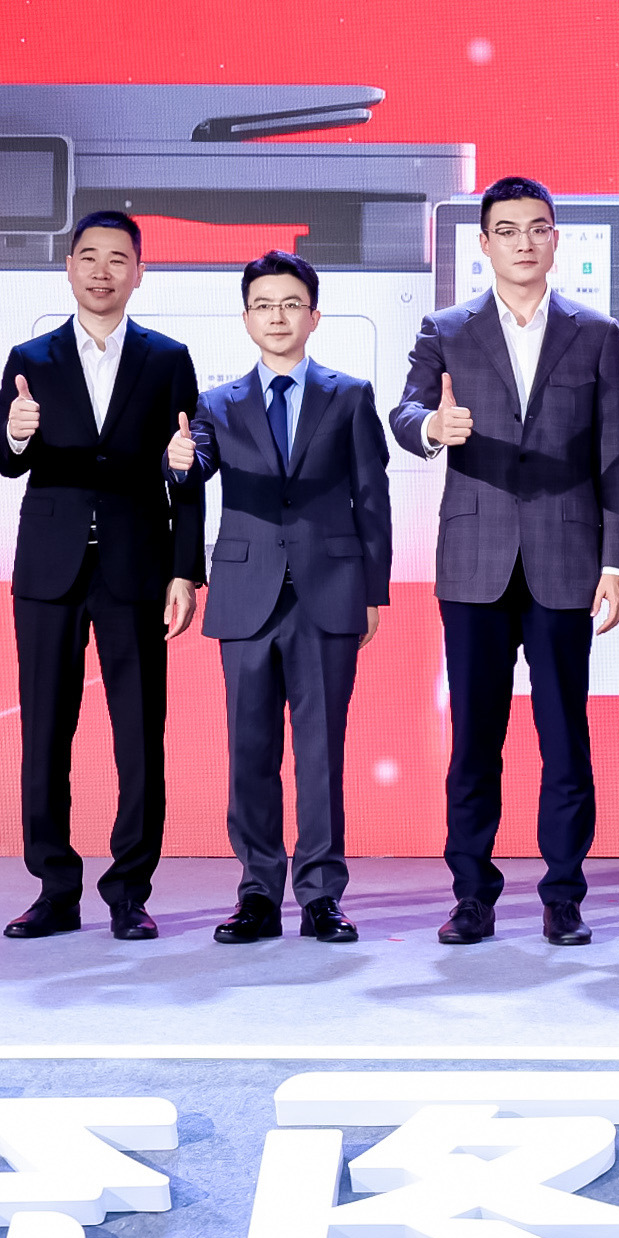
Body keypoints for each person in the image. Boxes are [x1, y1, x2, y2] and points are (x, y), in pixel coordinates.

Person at [395, 175, 619, 946]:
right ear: (484, 243)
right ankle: (472, 893)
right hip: (475, 559)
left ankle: (563, 894)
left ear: (556, 239)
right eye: (507, 230)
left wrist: (616, 561)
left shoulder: (594, 332)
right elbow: (404, 412)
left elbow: (615, 454)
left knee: (565, 737)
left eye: (537, 228)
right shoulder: (447, 328)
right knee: (475, 738)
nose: (523, 242)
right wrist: (432, 427)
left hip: (567, 558)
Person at [0, 209, 202, 942]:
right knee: (46, 730)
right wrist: (16, 432)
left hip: (136, 565)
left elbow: (188, 467)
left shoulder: (167, 358)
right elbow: (5, 460)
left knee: (139, 733)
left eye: (118, 259)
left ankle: (130, 890)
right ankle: (54, 887)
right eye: (88, 256)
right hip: (49, 568)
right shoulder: (31, 356)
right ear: (69, 266)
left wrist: (185, 572)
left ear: (139, 272)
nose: (102, 271)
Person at [181, 249, 391, 945]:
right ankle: (257, 893)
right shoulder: (217, 403)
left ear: (314, 316)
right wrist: (176, 462)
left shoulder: (349, 395)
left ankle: (322, 895)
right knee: (250, 752)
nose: (277, 316)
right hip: (246, 595)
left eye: (290, 304)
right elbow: (195, 465)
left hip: (330, 593)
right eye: (264, 305)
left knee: (321, 753)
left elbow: (372, 495)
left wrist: (373, 590)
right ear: (246, 318)